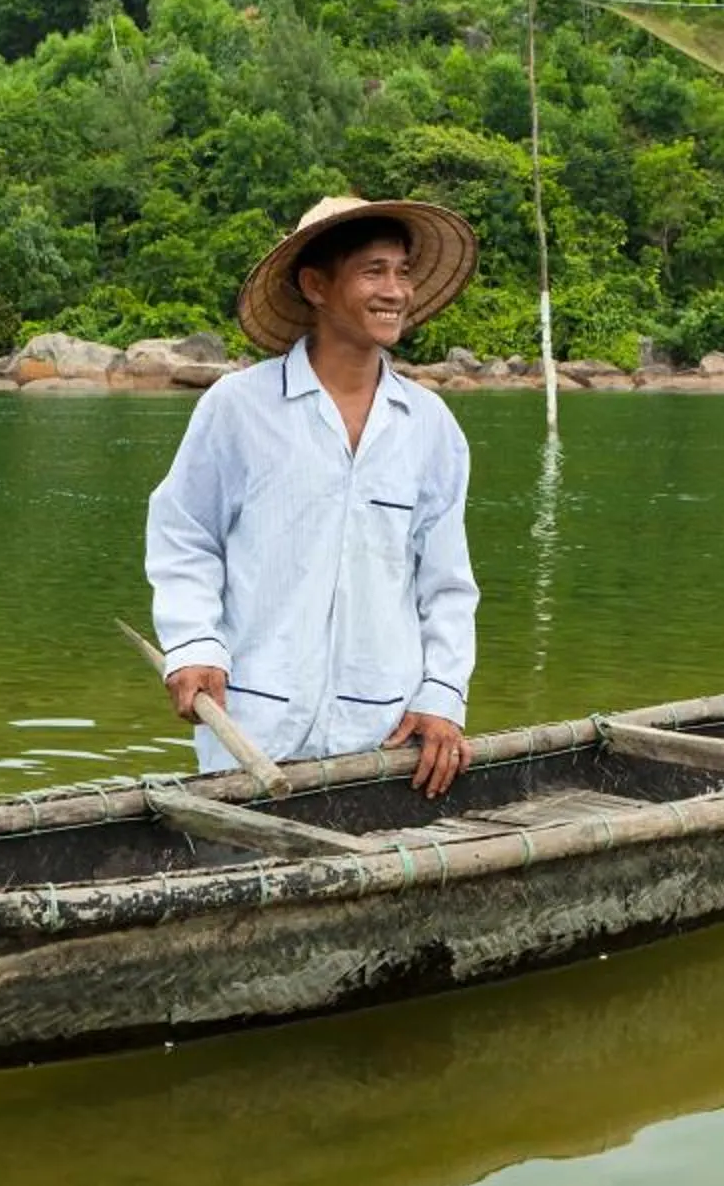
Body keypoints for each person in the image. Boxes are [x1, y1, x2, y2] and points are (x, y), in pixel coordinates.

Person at [146, 195, 481, 796]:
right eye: (372, 271)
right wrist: (194, 645)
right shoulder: (239, 408)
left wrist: (443, 697)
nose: (395, 290)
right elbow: (184, 537)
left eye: (402, 272)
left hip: (385, 734)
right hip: (253, 729)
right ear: (316, 286)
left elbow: (446, 583)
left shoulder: (428, 425)